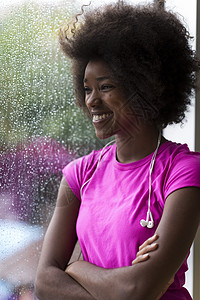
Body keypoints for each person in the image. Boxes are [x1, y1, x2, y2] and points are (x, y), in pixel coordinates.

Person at [35, 1, 200, 299]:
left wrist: (77, 268)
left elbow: (138, 289)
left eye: (105, 87)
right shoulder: (78, 175)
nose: (91, 101)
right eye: (87, 89)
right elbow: (45, 282)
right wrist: (118, 288)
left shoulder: (184, 171)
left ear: (145, 87)